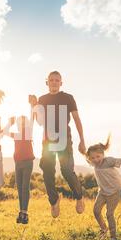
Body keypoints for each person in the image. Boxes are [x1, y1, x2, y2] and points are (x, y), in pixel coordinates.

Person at [29, 71, 86, 218]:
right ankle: (54, 201)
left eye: (57, 80)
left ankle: (79, 196)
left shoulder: (68, 98)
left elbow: (76, 119)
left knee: (67, 170)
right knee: (47, 171)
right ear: (47, 82)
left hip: (64, 139)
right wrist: (34, 106)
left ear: (61, 83)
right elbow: (40, 122)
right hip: (47, 141)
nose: (54, 82)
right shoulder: (42, 99)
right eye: (51, 80)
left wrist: (82, 140)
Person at [85, 135, 121, 240]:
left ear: (103, 155)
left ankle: (113, 238)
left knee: (109, 214)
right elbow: (86, 155)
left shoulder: (109, 161)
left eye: (98, 156)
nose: (96, 159)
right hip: (102, 192)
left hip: (114, 192)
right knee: (96, 211)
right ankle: (104, 229)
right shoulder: (93, 163)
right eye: (93, 158)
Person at [5, 114, 35, 224]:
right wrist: (9, 123)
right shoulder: (17, 135)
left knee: (24, 187)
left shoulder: (28, 133)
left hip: (27, 163)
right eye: (19, 123)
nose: (20, 124)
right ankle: (21, 212)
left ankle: (24, 214)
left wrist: (32, 107)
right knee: (19, 188)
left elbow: (32, 120)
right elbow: (4, 132)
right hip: (18, 163)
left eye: (22, 122)